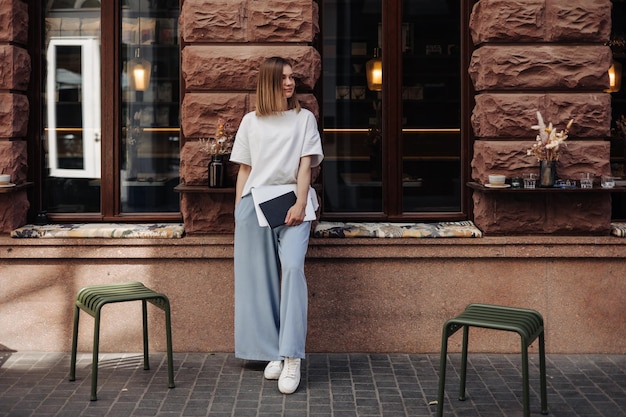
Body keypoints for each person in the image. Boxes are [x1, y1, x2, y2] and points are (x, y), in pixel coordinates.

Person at [229, 56, 324, 394]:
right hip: (255, 206)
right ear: (268, 83)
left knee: (293, 270)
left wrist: (300, 203)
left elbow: (305, 168)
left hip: (293, 204)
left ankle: (292, 356)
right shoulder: (250, 122)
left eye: (291, 78)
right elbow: (245, 169)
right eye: (283, 78)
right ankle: (273, 352)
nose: (290, 83)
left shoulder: (304, 119)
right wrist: (240, 208)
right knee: (261, 281)